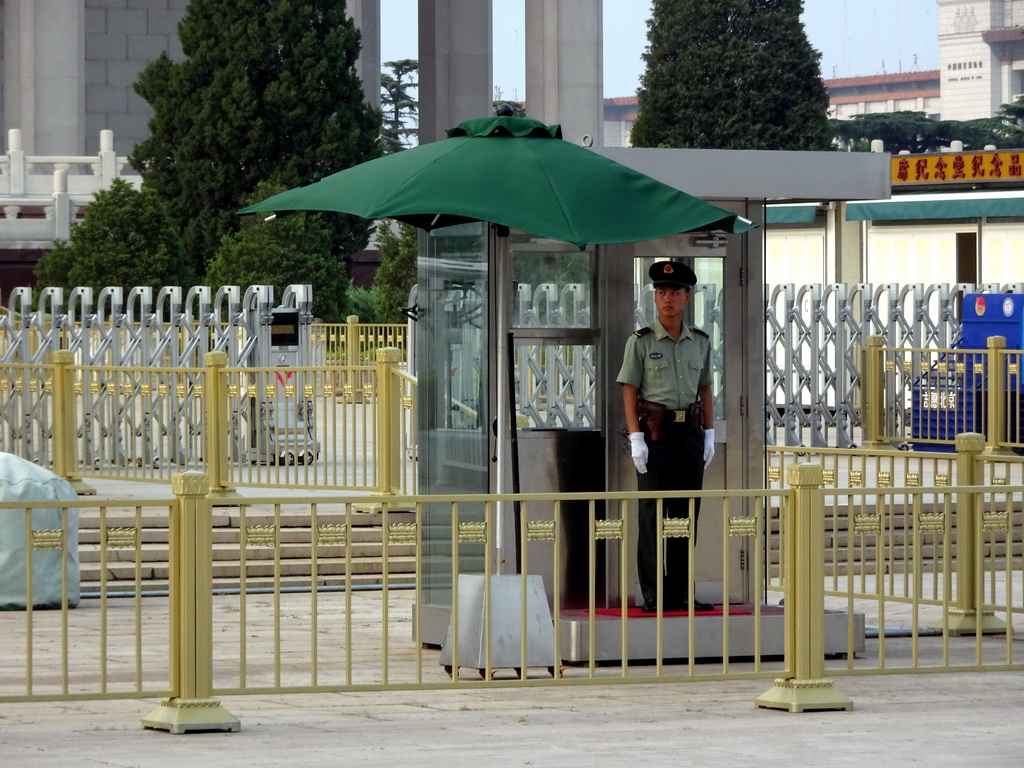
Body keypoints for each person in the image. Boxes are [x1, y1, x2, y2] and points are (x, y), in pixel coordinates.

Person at [616, 260, 715, 613]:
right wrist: (636, 437)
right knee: (651, 515)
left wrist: (709, 432)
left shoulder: (699, 341)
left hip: (688, 431)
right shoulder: (640, 342)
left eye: (674, 292)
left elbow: (705, 387)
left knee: (685, 515)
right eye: (660, 292)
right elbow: (629, 389)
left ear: (687, 297)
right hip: (655, 435)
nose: (667, 299)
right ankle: (653, 594)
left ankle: (680, 593)